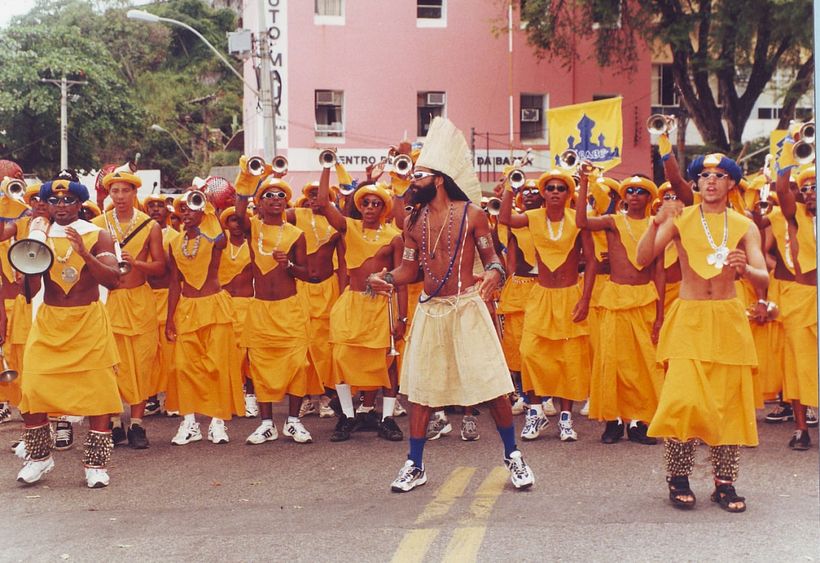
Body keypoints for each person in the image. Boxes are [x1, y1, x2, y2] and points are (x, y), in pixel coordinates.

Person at [368, 117, 534, 492]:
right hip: (431, 311)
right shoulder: (414, 221)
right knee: (423, 392)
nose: (413, 181)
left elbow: (492, 258)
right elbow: (410, 268)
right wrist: (386, 278)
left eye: (420, 175)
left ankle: (514, 457)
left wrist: (494, 274)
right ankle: (415, 464)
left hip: (467, 309)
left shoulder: (472, 214)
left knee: (493, 388)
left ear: (438, 179)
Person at [637, 153, 767, 512]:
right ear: (696, 182)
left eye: (720, 175)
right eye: (705, 175)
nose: (711, 181)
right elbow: (642, 258)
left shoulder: (745, 225)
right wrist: (654, 223)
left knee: (727, 405)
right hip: (689, 320)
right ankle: (678, 477)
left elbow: (763, 276)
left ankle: (724, 484)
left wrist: (747, 271)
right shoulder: (681, 219)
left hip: (728, 320)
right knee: (682, 401)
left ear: (731, 184)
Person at [13, 179, 122, 488]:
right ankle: (39, 458)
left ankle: (95, 465)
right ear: (47, 204)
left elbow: (113, 280)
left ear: (79, 204)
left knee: (99, 395)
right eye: (55, 200)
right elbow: (31, 291)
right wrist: (27, 268)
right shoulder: (38, 236)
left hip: (88, 323)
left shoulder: (99, 235)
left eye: (68, 199)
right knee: (33, 389)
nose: (61, 205)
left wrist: (85, 254)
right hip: (49, 323)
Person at [499, 169, 595, 442]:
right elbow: (505, 218)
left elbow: (591, 261)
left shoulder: (577, 221)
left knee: (568, 358)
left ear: (568, 193)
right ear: (543, 192)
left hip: (569, 296)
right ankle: (535, 411)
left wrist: (585, 299)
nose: (554, 192)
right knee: (531, 353)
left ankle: (565, 419)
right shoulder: (533, 217)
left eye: (560, 188)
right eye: (550, 187)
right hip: (540, 295)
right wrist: (510, 187)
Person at [317, 171, 407, 443]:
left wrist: (402, 318)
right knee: (342, 358)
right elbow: (323, 204)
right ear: (359, 205)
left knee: (387, 362)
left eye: (375, 203)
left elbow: (401, 280)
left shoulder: (395, 237)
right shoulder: (349, 227)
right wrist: (327, 166)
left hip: (381, 306)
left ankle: (387, 418)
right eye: (365, 203)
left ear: (383, 207)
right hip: (352, 302)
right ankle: (347, 416)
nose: (369, 208)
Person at [576, 174, 664, 445]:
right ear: (624, 196)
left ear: (649, 197)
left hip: (644, 299)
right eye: (630, 191)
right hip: (615, 297)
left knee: (642, 362)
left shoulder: (656, 226)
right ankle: (612, 421)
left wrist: (660, 316)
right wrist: (584, 184)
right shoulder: (613, 222)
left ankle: (638, 421)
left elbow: (659, 272)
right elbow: (582, 222)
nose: (635, 195)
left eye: (641, 191)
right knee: (612, 359)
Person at [232, 163, 314, 444]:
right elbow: (238, 213)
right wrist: (247, 181)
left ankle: (293, 421)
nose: (276, 200)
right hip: (261, 308)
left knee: (297, 364)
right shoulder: (252, 227)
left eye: (281, 195)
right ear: (261, 202)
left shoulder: (296, 234)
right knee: (260, 364)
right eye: (269, 195)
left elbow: (307, 272)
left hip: (289, 308)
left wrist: (289, 264)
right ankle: (266, 423)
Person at [93, 165, 165, 449]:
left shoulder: (150, 225)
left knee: (142, 362)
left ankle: (137, 424)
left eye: (125, 190)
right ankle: (112, 422)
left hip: (140, 300)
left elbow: (160, 267)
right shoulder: (99, 224)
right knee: (112, 362)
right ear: (109, 193)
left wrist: (138, 264)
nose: (120, 196)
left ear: (136, 192)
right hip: (111, 300)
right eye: (115, 191)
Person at [166, 192, 244, 445]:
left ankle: (217, 421)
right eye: (183, 209)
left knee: (217, 365)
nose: (187, 213)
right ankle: (189, 422)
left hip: (214, 307)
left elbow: (222, 234)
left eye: (192, 208)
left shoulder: (214, 238)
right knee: (183, 367)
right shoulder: (174, 243)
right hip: (187, 309)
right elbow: (174, 284)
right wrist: (169, 319)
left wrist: (208, 204)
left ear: (203, 212)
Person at [773, 142, 818, 450]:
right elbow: (780, 189)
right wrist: (790, 148)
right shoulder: (794, 215)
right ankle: (801, 429)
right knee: (799, 364)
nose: (812, 191)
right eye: (808, 187)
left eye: (817, 186)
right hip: (800, 299)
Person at [287, 181, 343, 419]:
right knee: (304, 345)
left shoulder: (336, 222)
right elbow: (264, 212)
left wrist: (342, 295)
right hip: (301, 289)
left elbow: (343, 263)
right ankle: (307, 397)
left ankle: (326, 396)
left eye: (319, 195)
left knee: (326, 345)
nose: (314, 199)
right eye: (310, 194)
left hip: (328, 288)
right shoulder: (295, 216)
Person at [495, 179, 541, 418]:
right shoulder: (517, 223)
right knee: (517, 346)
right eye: (527, 191)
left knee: (541, 346)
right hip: (520, 289)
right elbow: (510, 257)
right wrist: (509, 190)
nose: (532, 194)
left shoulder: (551, 221)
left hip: (543, 290)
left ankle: (545, 396)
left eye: (536, 190)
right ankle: (523, 394)